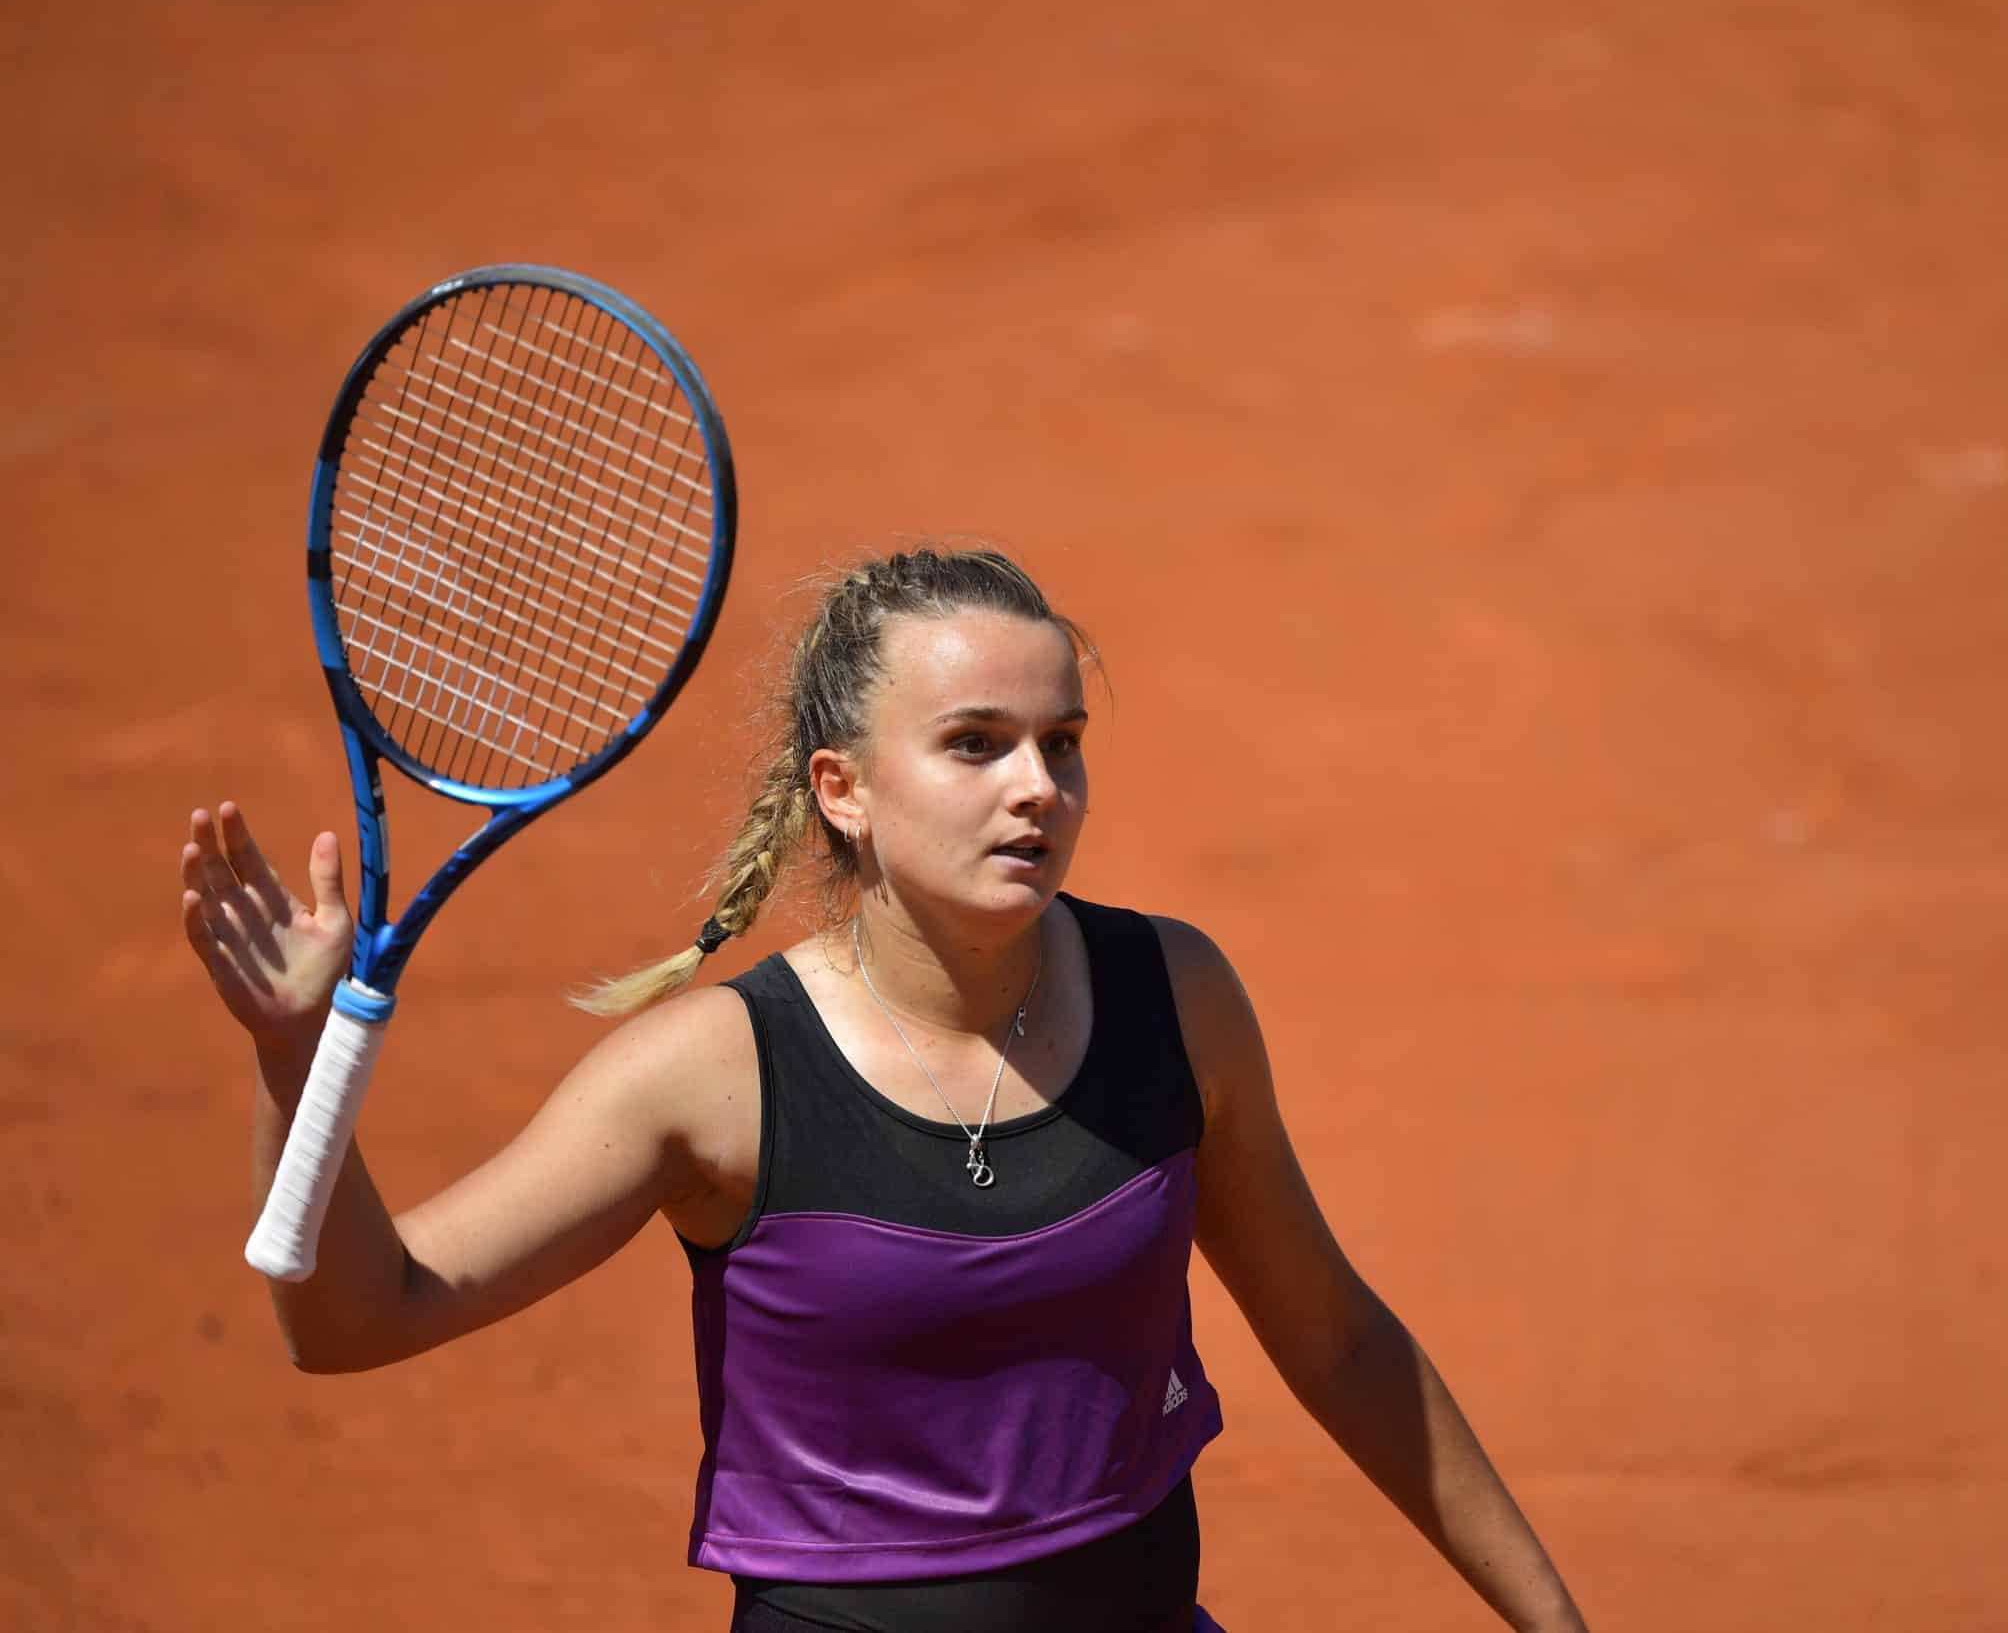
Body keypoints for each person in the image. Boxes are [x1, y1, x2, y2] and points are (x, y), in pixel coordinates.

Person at [181, 547, 1589, 1633]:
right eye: (975, 745)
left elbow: (1337, 1338)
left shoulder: (1176, 995)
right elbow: (354, 1317)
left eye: (1064, 742)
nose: (1038, 787)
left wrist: (1551, 1618)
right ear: (844, 789)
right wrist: (294, 1057)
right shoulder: (716, 1079)